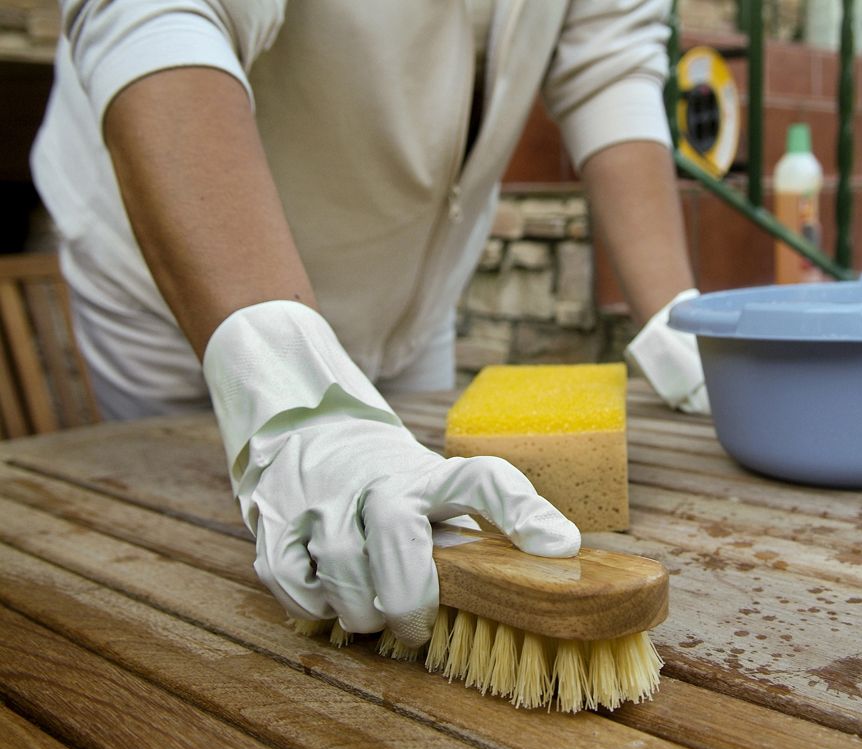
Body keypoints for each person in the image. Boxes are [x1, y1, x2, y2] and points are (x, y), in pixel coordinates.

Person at [31, 1, 709, 651]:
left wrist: (677, 320)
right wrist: (292, 390)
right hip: (202, 271)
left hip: (404, 298)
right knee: (182, 583)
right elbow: (159, 15)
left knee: (406, 553)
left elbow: (612, 64)